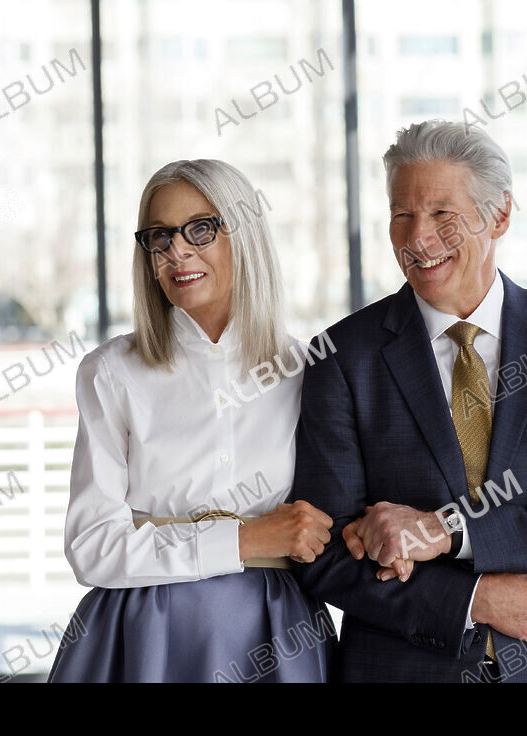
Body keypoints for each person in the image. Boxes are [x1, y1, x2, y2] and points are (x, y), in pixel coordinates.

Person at [289, 119, 527, 682]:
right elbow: (325, 554)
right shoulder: (342, 356)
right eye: (401, 214)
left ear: (499, 215)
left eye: (441, 214)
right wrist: (474, 600)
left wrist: (449, 531)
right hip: (405, 668)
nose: (417, 238)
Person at [47, 159, 335, 683]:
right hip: (145, 633)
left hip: (277, 632)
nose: (176, 251)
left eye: (200, 229)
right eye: (160, 236)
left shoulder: (307, 370)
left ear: (244, 234)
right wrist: (244, 541)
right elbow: (92, 547)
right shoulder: (111, 373)